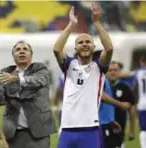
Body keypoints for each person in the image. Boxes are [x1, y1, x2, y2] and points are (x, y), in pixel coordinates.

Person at [53, 3, 113, 148]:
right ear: (75, 48)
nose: (84, 44)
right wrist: (71, 25)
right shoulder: (69, 65)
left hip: (90, 130)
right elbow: (56, 49)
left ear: (94, 47)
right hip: (67, 129)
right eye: (80, 42)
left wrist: (97, 23)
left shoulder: (99, 67)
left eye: (88, 42)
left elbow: (109, 48)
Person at [0, 40, 57, 148]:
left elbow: (38, 81)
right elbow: (0, 99)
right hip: (13, 133)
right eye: (18, 50)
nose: (21, 52)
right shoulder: (6, 72)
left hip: (39, 133)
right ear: (13, 56)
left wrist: (17, 79)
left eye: (25, 49)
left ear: (31, 55)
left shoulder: (40, 68)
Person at [106, 61, 136, 148]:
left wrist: (132, 131)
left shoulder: (125, 88)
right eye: (110, 70)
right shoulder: (101, 86)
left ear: (119, 72)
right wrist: (121, 104)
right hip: (101, 129)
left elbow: (132, 109)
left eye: (115, 70)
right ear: (105, 71)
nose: (113, 72)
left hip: (118, 130)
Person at [133, 54, 146, 148]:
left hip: (142, 104)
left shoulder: (138, 72)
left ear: (142, 62)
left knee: (143, 129)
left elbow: (134, 87)